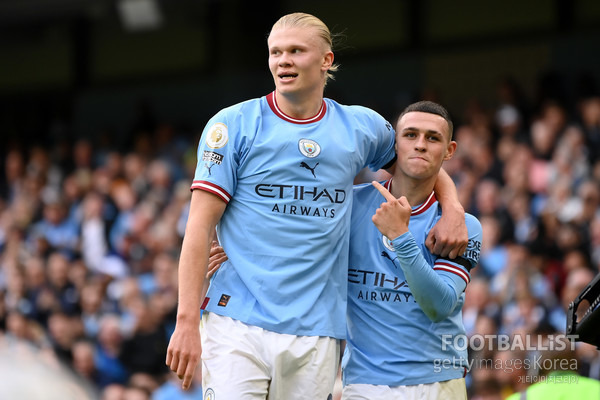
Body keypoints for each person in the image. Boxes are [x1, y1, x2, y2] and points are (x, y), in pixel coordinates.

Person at [166, 12, 467, 399]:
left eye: (295, 51)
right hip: (236, 318)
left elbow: (419, 162)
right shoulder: (234, 125)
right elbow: (198, 229)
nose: (283, 61)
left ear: (326, 60)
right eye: (275, 52)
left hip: (317, 331)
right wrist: (187, 322)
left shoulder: (359, 127)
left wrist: (454, 208)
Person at [342, 101, 482, 399]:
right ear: (395, 143)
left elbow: (439, 305)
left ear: (449, 151)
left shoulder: (463, 226)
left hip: (438, 381)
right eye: (410, 135)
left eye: (433, 138)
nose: (420, 145)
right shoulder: (349, 206)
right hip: (365, 382)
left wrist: (400, 237)